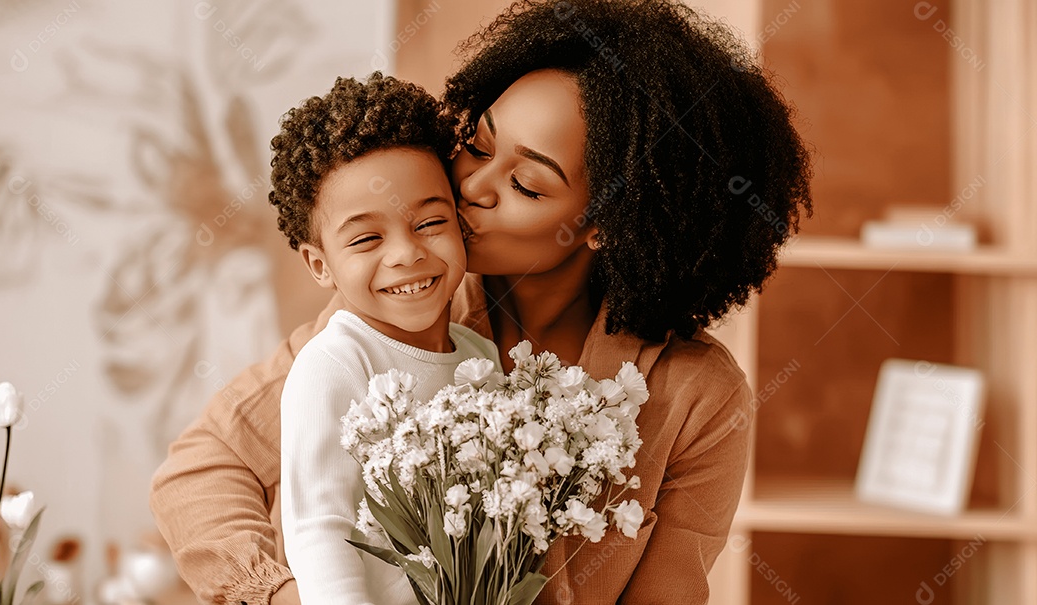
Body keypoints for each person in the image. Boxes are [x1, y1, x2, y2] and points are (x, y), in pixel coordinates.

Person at [149, 1, 813, 604]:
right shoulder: (406, 313)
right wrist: (281, 594)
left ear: (607, 221)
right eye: (478, 144)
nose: (471, 187)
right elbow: (201, 470)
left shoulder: (697, 399)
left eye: (525, 182)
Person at [270, 74, 501, 605]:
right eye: (368, 238)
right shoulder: (333, 363)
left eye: (429, 222)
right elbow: (319, 530)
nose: (406, 253)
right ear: (320, 265)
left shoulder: (480, 358)